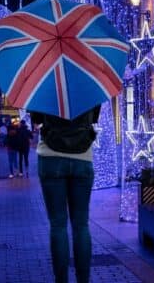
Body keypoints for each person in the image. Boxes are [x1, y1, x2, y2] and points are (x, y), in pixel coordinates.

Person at [31, 105, 100, 283]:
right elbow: (93, 119)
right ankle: (83, 280)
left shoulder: (44, 82)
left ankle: (61, 280)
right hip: (83, 158)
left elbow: (37, 119)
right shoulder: (89, 81)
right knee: (81, 225)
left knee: (58, 225)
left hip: (50, 157)